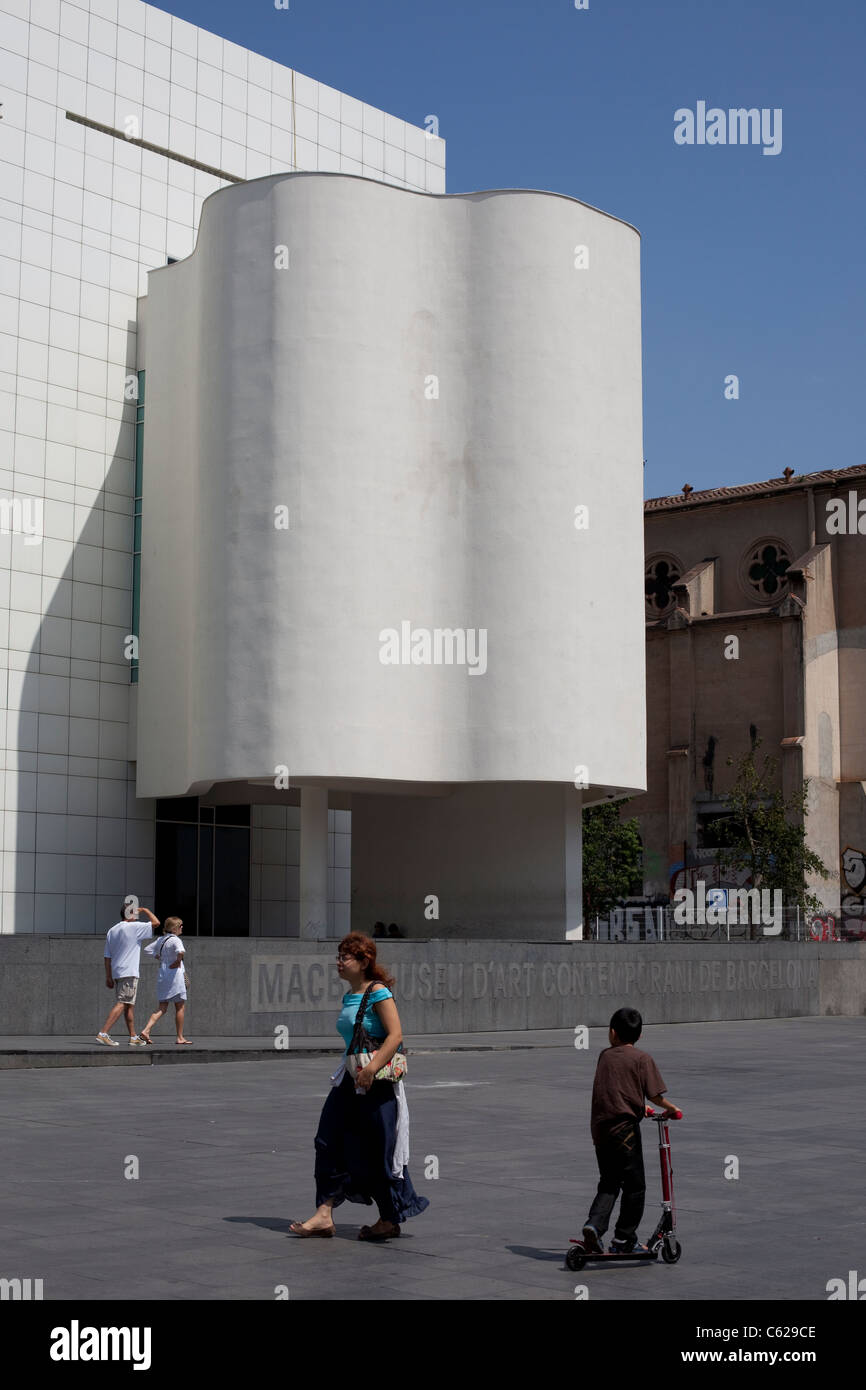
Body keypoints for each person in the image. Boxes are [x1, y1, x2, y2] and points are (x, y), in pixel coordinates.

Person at [289, 932, 429, 1241]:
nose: (338, 962)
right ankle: (323, 1214)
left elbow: (395, 1036)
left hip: (377, 1084)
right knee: (327, 1140)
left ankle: (389, 1218)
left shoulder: (379, 992)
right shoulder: (349, 995)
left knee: (378, 1149)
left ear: (364, 961)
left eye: (344, 957)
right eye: (338, 956)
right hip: (349, 1080)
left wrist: (372, 1069)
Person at [579, 1007, 680, 1254]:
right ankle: (624, 1238)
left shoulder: (605, 1056)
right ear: (640, 1036)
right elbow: (655, 1095)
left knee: (609, 1182)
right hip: (625, 1132)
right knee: (635, 1186)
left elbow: (615, 1090)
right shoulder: (642, 1059)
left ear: (612, 1033)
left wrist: (639, 1106)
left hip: (602, 1131)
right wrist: (671, 1108)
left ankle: (594, 1225)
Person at [97, 902, 160, 1046]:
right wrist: (145, 909)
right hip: (129, 971)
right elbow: (156, 923)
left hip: (118, 971)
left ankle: (133, 1037)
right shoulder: (134, 927)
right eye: (135, 913)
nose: (137, 916)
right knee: (123, 1002)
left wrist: (108, 976)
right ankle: (103, 1033)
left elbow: (107, 956)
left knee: (128, 1005)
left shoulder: (112, 930)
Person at [139, 917, 191, 1046]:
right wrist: (178, 961)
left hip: (163, 975)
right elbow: (181, 951)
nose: (182, 928)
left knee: (162, 1007)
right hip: (175, 977)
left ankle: (146, 1030)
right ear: (174, 928)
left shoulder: (160, 940)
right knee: (180, 1007)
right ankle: (180, 1037)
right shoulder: (176, 940)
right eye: (180, 926)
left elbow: (147, 950)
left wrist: (160, 958)